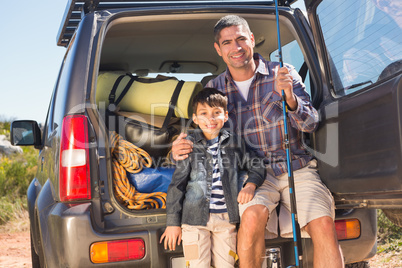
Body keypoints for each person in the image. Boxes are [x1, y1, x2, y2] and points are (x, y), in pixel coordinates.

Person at [171, 15, 344, 268]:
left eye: (241, 39)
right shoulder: (214, 87)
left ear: (252, 39)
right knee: (251, 218)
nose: (236, 47)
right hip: (251, 175)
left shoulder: (283, 73)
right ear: (219, 50)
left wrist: (290, 98)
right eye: (228, 42)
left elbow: (311, 123)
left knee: (324, 223)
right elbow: (203, 134)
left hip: (297, 168)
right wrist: (177, 149)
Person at [160, 87, 266, 268]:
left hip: (226, 221)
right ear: (195, 119)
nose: (210, 119)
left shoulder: (234, 142)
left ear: (225, 116)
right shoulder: (189, 144)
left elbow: (257, 164)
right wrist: (172, 223)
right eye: (204, 113)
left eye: (216, 113)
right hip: (194, 222)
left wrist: (250, 185)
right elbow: (177, 185)